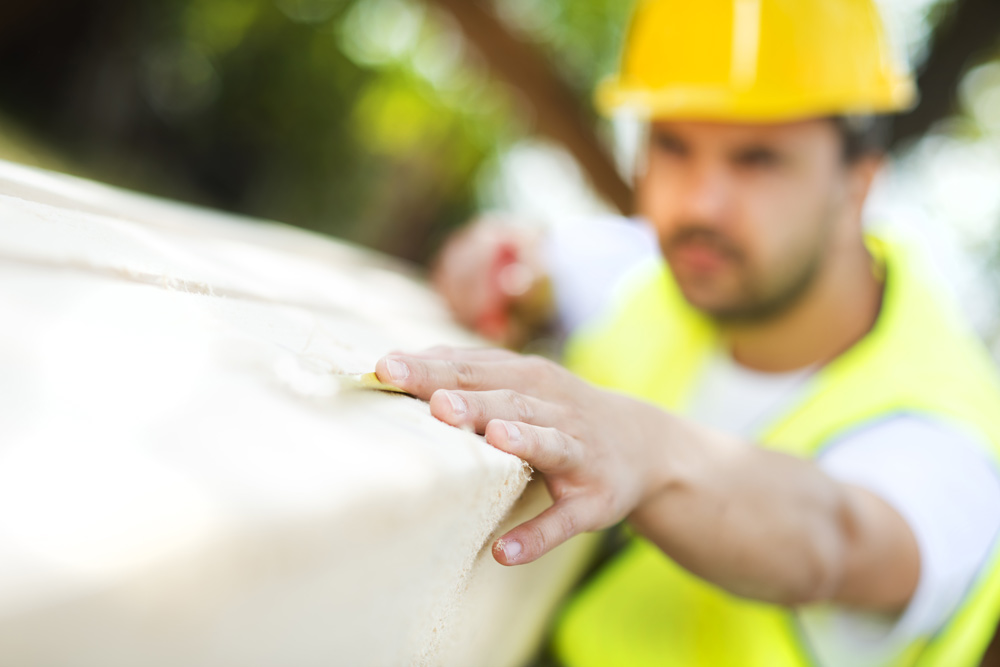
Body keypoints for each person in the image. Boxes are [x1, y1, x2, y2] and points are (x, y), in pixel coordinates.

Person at [375, 1, 1000, 664]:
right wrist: (499, 269)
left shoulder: (950, 437)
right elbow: (530, 259)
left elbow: (838, 540)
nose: (701, 203)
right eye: (672, 146)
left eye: (757, 160)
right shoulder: (652, 272)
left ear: (858, 186)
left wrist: (644, 447)